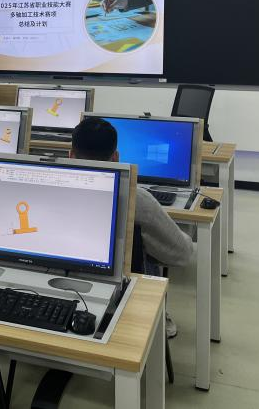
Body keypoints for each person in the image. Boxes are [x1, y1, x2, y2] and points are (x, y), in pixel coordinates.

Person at [69, 116, 193, 338]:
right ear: (116, 157)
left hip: (66, 294)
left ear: (70, 155)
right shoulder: (138, 199)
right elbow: (183, 254)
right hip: (122, 306)